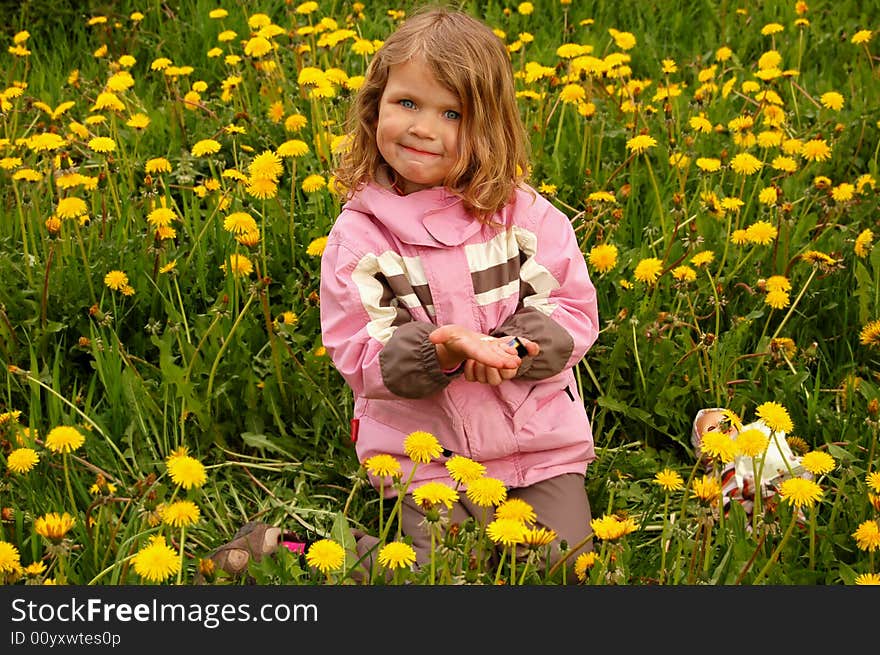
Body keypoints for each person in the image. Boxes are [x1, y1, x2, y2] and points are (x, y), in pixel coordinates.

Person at [319, 5, 600, 581]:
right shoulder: (359, 239)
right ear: (375, 106)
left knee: (563, 565)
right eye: (407, 104)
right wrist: (443, 349)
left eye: (452, 113)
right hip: (426, 455)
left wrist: (513, 350)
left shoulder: (526, 217)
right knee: (444, 572)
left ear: (489, 127)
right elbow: (359, 354)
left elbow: (572, 309)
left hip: (538, 446)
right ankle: (288, 549)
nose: (424, 127)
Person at [691, 408, 808, 522]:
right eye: (711, 428)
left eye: (726, 421)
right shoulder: (717, 468)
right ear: (700, 448)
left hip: (785, 486)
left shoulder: (761, 439)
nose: (722, 426)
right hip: (755, 502)